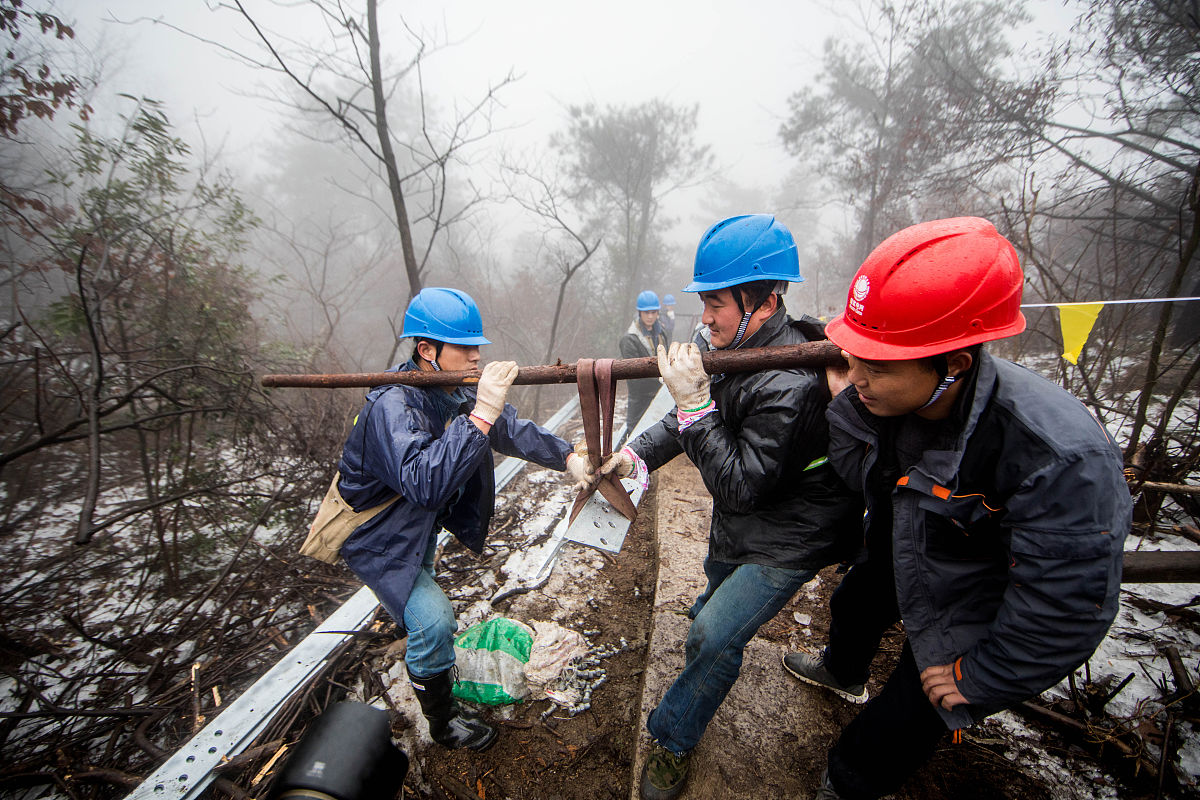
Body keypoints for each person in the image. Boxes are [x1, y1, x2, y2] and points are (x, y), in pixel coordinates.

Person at [782, 217, 1131, 799]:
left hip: (976, 603)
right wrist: (850, 406)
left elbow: (1068, 603)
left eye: (879, 364)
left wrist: (983, 674)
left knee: (890, 730)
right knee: (856, 603)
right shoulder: (887, 399)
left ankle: (845, 786)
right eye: (855, 353)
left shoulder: (1058, 458)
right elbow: (856, 473)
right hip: (915, 546)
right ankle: (842, 674)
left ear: (955, 365)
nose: (857, 375)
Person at [601, 215, 860, 800]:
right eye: (704, 303)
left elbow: (739, 483)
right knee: (714, 592)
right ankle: (710, 612)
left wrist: (694, 405)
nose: (704, 317)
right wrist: (634, 458)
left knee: (714, 636)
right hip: (746, 519)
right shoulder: (731, 344)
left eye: (715, 304)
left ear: (764, 301)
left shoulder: (792, 380)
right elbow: (687, 420)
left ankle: (671, 740)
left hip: (793, 532)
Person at [336, 287, 595, 751]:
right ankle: (442, 722)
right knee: (434, 621)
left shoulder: (451, 386)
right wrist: (481, 414)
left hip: (415, 524)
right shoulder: (392, 406)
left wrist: (570, 457)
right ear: (426, 351)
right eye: (465, 348)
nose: (476, 357)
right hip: (378, 534)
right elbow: (426, 483)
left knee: (422, 583)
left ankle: (412, 633)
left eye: (478, 347)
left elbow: (510, 428)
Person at [618, 290, 670, 436]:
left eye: (653, 312)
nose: (650, 316)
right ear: (639, 312)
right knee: (635, 433)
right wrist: (661, 380)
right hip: (640, 397)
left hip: (659, 394)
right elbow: (634, 379)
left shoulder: (661, 334)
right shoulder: (629, 340)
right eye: (646, 312)